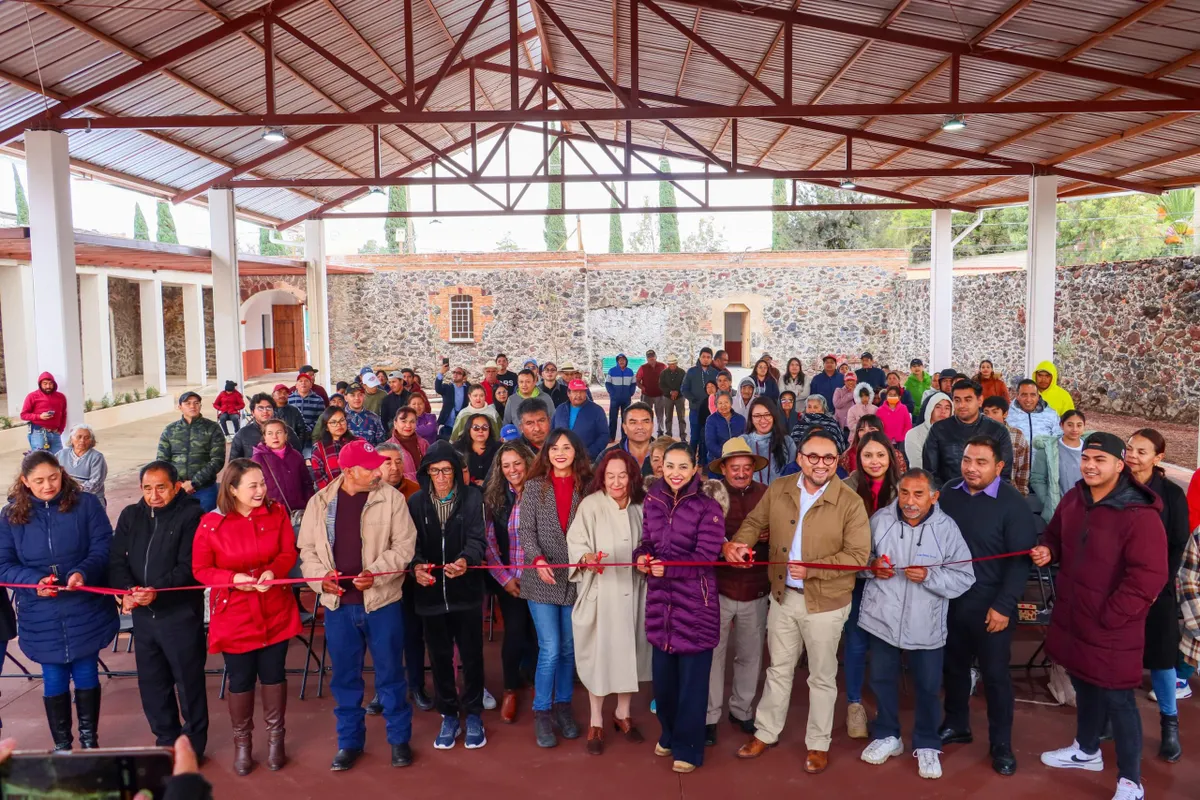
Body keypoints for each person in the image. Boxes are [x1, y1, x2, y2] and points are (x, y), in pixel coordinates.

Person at [728, 428, 871, 773]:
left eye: (829, 458)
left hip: (827, 604)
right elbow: (753, 522)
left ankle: (818, 744)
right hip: (783, 598)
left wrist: (813, 570)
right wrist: (739, 544)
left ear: (837, 461)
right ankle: (766, 731)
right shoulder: (779, 489)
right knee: (778, 669)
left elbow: (858, 556)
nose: (821, 464)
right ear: (800, 458)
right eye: (813, 456)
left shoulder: (850, 501)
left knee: (822, 676)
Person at [1032, 433, 1166, 800]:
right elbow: (1055, 534)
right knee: (1085, 683)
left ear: (1119, 466)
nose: (1090, 465)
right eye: (1086, 458)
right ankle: (1086, 750)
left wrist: (1111, 616)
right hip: (1076, 616)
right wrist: (1047, 548)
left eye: (1100, 460)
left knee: (1119, 701)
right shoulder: (1075, 498)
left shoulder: (1138, 515)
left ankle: (1131, 781)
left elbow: (1149, 577)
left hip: (1112, 627)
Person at [296, 440, 418, 770]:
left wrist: (374, 574)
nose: (379, 470)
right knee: (345, 679)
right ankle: (349, 742)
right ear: (349, 471)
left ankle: (399, 740)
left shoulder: (391, 499)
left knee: (391, 673)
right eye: (371, 466)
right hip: (339, 606)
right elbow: (306, 552)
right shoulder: (320, 502)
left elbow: (404, 547)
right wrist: (321, 578)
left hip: (382, 603)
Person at [858, 469, 975, 780]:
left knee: (926, 687)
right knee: (882, 679)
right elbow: (858, 561)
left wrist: (930, 577)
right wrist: (872, 568)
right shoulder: (880, 520)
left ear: (934, 497)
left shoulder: (947, 529)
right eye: (904, 493)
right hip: (881, 618)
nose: (909, 501)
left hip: (927, 624)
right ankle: (887, 736)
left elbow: (965, 575)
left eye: (918, 494)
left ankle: (926, 742)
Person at [0, 450, 118, 750]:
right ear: (25, 482)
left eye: (53, 477)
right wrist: (33, 582)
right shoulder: (10, 516)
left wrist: (83, 572)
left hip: (84, 607)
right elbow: (4, 564)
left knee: (86, 672)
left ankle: (90, 741)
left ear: (62, 473)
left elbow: (104, 546)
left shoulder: (87, 504)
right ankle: (63, 745)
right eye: (38, 481)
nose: (47, 485)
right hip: (41, 612)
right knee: (53, 678)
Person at [192, 459, 301, 775]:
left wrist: (274, 571)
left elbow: (287, 553)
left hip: (274, 607)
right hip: (235, 612)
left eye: (263, 483)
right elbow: (201, 570)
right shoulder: (211, 524)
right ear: (232, 489)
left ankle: (275, 739)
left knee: (273, 673)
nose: (261, 490)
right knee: (240, 678)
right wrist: (232, 579)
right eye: (253, 485)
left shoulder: (277, 513)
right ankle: (243, 743)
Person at [937, 437, 1036, 777]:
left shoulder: (1013, 504)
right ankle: (956, 723)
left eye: (981, 462)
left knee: (995, 677)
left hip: (992, 605)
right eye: (967, 460)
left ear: (998, 467)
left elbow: (1019, 563)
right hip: (951, 601)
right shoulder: (949, 493)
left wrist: (1004, 606)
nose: (971, 468)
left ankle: (1001, 743)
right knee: (953, 667)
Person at [636, 442, 727, 773]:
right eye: (669, 466)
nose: (675, 473)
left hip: (696, 607)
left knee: (692, 684)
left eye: (682, 467)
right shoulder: (653, 500)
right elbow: (646, 541)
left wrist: (667, 567)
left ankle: (689, 747)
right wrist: (642, 558)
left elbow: (705, 558)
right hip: (661, 604)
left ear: (694, 470)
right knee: (664, 682)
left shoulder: (708, 507)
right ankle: (669, 733)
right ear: (661, 469)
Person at [109, 461, 208, 758]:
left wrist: (157, 593)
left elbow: (189, 568)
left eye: (161, 488)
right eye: (147, 488)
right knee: (153, 684)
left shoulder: (192, 514)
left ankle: (192, 746)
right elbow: (116, 560)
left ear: (176, 487)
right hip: (143, 616)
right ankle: (166, 740)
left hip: (179, 613)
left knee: (188, 683)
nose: (153, 495)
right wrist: (127, 591)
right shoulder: (130, 516)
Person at [567, 450, 652, 755]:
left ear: (632, 478)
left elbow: (650, 543)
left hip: (634, 592)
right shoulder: (590, 506)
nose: (616, 482)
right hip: (601, 594)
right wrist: (586, 559)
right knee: (599, 657)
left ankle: (623, 714)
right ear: (601, 478)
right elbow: (576, 544)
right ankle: (596, 720)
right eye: (610, 475)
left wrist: (646, 560)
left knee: (631, 654)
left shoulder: (641, 507)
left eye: (623, 475)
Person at [410, 441, 489, 751]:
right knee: (440, 658)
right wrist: (415, 566)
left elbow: (477, 540)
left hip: (465, 592)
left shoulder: (472, 498)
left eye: (446, 470)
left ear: (456, 472)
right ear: (426, 473)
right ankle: (448, 714)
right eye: (434, 471)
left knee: (472, 656)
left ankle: (474, 715)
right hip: (430, 595)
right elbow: (409, 545)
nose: (441, 477)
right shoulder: (416, 502)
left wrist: (465, 561)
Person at [519, 429, 590, 748]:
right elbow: (526, 532)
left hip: (574, 578)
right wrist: (537, 560)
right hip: (541, 579)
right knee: (549, 648)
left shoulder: (586, 487)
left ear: (576, 452)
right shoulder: (534, 487)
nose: (560, 452)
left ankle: (564, 707)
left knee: (567, 649)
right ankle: (542, 712)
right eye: (555, 448)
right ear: (546, 453)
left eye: (567, 447)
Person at [1124, 429, 1190, 762]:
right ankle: (1112, 718)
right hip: (1118, 587)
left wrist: (1156, 585)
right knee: (1116, 654)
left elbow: (1179, 543)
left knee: (1163, 658)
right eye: (1130, 449)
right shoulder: (1115, 484)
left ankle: (1169, 723)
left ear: (1158, 458)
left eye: (1142, 451)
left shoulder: (1172, 495)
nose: (1133, 456)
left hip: (1157, 589)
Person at [840, 431, 904, 740]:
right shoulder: (845, 490)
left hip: (893, 579)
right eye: (868, 455)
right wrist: (869, 565)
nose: (874, 461)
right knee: (855, 641)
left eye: (880, 455)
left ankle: (887, 707)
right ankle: (854, 703)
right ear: (858, 458)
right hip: (857, 578)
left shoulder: (903, 489)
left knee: (885, 643)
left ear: (890, 457)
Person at [706, 439, 769, 746]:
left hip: (756, 588)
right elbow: (701, 535)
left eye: (747, 468)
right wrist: (723, 547)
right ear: (724, 469)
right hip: (718, 587)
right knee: (713, 655)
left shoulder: (767, 495)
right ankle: (709, 716)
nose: (742, 473)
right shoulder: (710, 496)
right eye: (735, 468)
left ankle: (742, 710)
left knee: (750, 655)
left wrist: (771, 534)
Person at [483, 441, 538, 723]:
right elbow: (489, 545)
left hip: (540, 579)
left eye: (517, 463)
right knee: (514, 633)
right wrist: (505, 579)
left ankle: (537, 681)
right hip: (511, 581)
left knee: (540, 635)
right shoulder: (495, 497)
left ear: (528, 462)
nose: (512, 470)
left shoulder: (542, 493)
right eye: (506, 465)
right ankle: (509, 689)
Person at [923, 380, 1013, 486]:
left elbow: (1004, 473)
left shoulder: (998, 430)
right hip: (948, 495)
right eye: (957, 400)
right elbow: (930, 472)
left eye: (968, 400)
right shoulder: (939, 429)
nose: (962, 405)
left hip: (988, 497)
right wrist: (944, 495)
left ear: (980, 401)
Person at [157, 391, 226, 512]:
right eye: (187, 403)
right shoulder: (170, 430)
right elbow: (162, 461)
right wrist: (177, 483)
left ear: (200, 406)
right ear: (180, 407)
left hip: (204, 488)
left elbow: (217, 460)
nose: (192, 406)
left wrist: (194, 483)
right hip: (176, 489)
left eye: (196, 403)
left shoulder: (212, 428)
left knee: (205, 524)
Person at [1030, 409, 1091, 523]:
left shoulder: (1091, 449)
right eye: (1070, 425)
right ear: (1061, 425)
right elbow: (1037, 479)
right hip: (1058, 510)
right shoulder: (1047, 450)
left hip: (1087, 508)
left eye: (1079, 425)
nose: (1074, 429)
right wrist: (1049, 501)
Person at [252, 419, 314, 516]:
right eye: (270, 433)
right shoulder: (258, 459)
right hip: (272, 513)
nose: (275, 437)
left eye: (279, 432)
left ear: (286, 435)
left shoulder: (296, 456)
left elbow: (307, 484)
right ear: (264, 437)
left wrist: (309, 505)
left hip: (299, 512)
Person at [981, 396, 1031, 497]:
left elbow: (1023, 469)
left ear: (1005, 414)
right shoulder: (977, 435)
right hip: (981, 490)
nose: (989, 416)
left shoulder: (1017, 435)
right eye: (986, 413)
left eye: (995, 412)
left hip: (1009, 491)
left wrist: (1021, 496)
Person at [741, 397, 795, 485]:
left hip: (780, 495)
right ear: (751, 418)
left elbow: (793, 474)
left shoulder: (787, 441)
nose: (763, 420)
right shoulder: (742, 442)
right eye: (757, 416)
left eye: (767, 414)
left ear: (774, 416)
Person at [230, 393, 301, 460]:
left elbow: (298, 456)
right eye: (260, 408)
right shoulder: (243, 434)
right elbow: (234, 463)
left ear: (273, 410)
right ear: (252, 412)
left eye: (268, 408)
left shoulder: (286, 430)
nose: (265, 411)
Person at [552, 379, 608, 461]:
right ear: (568, 393)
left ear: (586, 393)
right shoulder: (560, 409)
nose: (578, 395)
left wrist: (588, 453)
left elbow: (604, 435)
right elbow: (552, 431)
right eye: (575, 391)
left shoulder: (597, 410)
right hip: (562, 458)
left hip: (586, 460)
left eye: (582, 391)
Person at [56, 424, 107, 507]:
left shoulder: (97, 457)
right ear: (71, 438)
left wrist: (72, 491)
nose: (82, 440)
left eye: (87, 438)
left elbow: (95, 483)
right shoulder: (61, 454)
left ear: (91, 440)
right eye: (79, 437)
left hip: (90, 499)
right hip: (66, 498)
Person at [682, 348, 719, 455]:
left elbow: (720, 389)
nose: (706, 359)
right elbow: (684, 389)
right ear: (699, 358)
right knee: (695, 437)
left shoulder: (715, 373)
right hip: (696, 410)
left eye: (708, 357)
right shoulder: (691, 372)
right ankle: (691, 459)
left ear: (711, 359)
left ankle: (705, 461)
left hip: (711, 411)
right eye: (703, 357)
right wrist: (693, 400)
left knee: (709, 436)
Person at [604, 402, 656, 477]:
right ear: (624, 428)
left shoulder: (666, 454)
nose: (640, 427)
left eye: (645, 422)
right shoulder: (607, 456)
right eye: (633, 422)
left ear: (652, 425)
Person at [312, 407, 358, 490]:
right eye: (333, 422)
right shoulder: (319, 449)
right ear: (326, 427)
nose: (339, 425)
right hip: (333, 494)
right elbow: (320, 479)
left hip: (360, 490)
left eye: (342, 420)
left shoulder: (358, 442)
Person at [20, 371, 68, 452]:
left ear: (54, 384)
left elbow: (63, 414)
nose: (48, 386)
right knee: (40, 460)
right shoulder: (32, 396)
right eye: (45, 384)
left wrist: (60, 430)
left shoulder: (61, 397)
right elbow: (23, 415)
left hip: (55, 433)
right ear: (40, 384)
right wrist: (39, 416)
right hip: (38, 433)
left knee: (58, 459)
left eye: (50, 383)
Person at [905, 391, 951, 470]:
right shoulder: (913, 434)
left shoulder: (954, 433)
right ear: (930, 408)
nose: (943, 411)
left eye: (947, 408)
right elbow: (918, 465)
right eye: (938, 407)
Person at [705, 392, 746, 477]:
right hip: (717, 460)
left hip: (737, 459)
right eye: (720, 403)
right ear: (716, 405)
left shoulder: (741, 419)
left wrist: (736, 455)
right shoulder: (711, 420)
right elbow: (710, 443)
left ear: (731, 403)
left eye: (726, 402)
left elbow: (745, 439)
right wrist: (725, 454)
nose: (723, 405)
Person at [386, 406, 431, 483]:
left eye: (412, 422)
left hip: (425, 489)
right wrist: (418, 476)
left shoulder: (424, 444)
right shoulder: (387, 448)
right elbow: (386, 476)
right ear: (395, 423)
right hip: (400, 491)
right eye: (404, 421)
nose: (408, 426)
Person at [453, 412, 499, 486]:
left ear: (489, 430)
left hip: (493, 491)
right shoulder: (457, 449)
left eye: (485, 427)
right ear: (469, 429)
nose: (480, 431)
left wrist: (487, 483)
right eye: (476, 428)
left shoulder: (499, 449)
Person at [288, 368, 328, 440]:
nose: (303, 383)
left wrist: (309, 429)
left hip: (311, 436)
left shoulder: (318, 400)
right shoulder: (289, 399)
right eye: (300, 381)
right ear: (296, 385)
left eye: (306, 381)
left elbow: (320, 418)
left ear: (311, 385)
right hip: (292, 436)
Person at [604, 354, 636, 441]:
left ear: (626, 361)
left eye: (623, 360)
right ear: (617, 361)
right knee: (612, 418)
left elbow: (633, 384)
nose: (621, 362)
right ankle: (611, 437)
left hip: (626, 399)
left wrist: (630, 393)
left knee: (625, 418)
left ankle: (624, 437)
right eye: (620, 360)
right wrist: (612, 393)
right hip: (615, 399)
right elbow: (607, 383)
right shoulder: (612, 371)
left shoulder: (630, 371)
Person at [636, 350, 667, 434]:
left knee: (660, 414)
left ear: (656, 357)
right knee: (646, 414)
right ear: (647, 358)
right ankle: (647, 431)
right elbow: (637, 380)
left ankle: (660, 431)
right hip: (646, 396)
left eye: (652, 356)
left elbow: (667, 378)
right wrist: (643, 388)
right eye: (649, 357)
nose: (651, 358)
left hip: (660, 395)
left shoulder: (663, 366)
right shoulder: (642, 368)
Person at [270, 384, 309, 450]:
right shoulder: (268, 411)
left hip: (292, 449)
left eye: (285, 393)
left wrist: (298, 447)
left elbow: (303, 431)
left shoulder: (294, 410)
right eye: (279, 393)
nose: (282, 395)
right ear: (273, 395)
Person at [435, 364, 470, 438]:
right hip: (447, 424)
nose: (455, 374)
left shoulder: (467, 389)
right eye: (454, 372)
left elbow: (473, 389)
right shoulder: (447, 387)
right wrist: (441, 373)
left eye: (459, 373)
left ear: (463, 376)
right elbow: (438, 388)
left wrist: (466, 381)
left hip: (461, 425)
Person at [659, 355, 687, 438]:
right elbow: (661, 385)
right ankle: (668, 435)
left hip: (680, 397)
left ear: (676, 363)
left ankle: (683, 436)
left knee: (681, 417)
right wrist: (670, 392)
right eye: (671, 364)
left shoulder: (682, 372)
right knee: (668, 417)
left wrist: (677, 392)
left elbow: (684, 384)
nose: (672, 366)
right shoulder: (663, 373)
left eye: (674, 364)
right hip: (668, 397)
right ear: (668, 364)